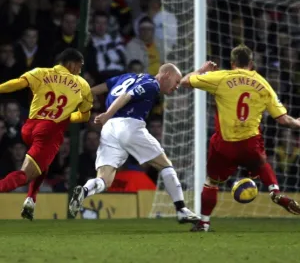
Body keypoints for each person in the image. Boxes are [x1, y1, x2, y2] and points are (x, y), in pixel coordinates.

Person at [180, 44, 300, 232]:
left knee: (211, 182)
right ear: (251, 63)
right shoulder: (263, 83)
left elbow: (184, 81)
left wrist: (202, 70)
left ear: (232, 63)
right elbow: (283, 119)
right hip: (250, 143)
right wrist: (297, 123)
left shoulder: (221, 77)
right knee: (261, 164)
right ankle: (275, 192)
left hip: (225, 144)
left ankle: (204, 222)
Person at [69, 63, 200, 223]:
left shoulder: (127, 77)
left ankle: (84, 190)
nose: (177, 87)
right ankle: (182, 210)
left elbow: (104, 86)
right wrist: (107, 114)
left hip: (109, 130)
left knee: (105, 179)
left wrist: (82, 97)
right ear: (166, 75)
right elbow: (127, 96)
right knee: (165, 165)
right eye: (176, 81)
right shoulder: (152, 84)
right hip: (129, 125)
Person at [0, 48, 93, 221]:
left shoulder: (41, 72)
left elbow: (18, 83)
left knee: (43, 162)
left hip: (29, 126)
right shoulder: (82, 85)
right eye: (79, 66)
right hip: (49, 131)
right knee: (24, 175)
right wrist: (67, 116)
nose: (80, 70)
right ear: (71, 64)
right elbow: (84, 116)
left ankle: (30, 200)